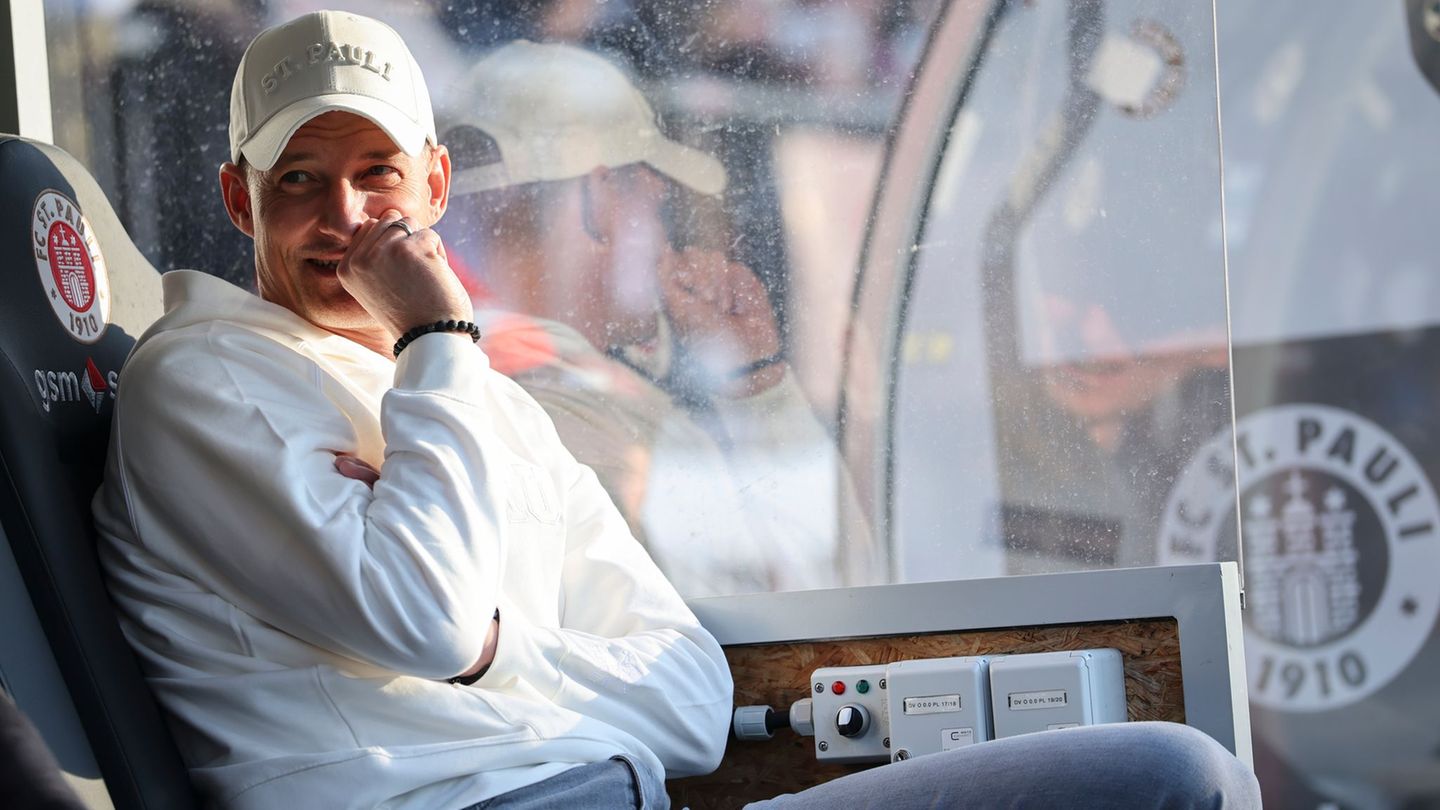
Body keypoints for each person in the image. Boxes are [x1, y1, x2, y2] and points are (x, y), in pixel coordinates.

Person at [92, 10, 1260, 809]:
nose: (344, 216)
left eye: (376, 176)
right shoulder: (207, 382)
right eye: (299, 179)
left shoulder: (472, 398)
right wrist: (439, 342)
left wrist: (510, 648)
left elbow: (695, 700)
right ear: (240, 197)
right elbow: (432, 623)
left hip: (621, 788)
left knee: (1171, 769)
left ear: (432, 187)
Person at [437, 41, 874, 596]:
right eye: (648, 190)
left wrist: (747, 374)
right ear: (598, 198)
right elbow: (830, 587)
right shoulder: (596, 421)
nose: (663, 218)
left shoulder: (450, 364)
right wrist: (761, 394)